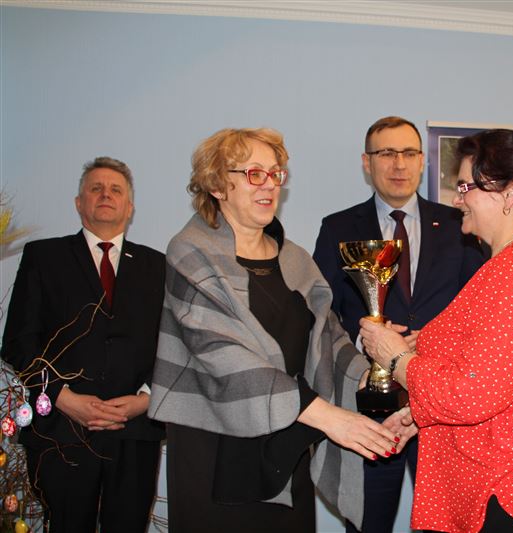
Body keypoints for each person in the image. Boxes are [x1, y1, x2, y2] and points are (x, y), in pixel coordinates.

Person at [147, 128, 400, 533]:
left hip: (287, 440)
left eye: (275, 174)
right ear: (217, 185)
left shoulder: (295, 259)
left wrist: (376, 382)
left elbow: (329, 339)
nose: (269, 185)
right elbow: (224, 353)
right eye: (254, 174)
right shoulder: (190, 251)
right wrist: (330, 418)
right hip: (216, 448)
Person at [360, 129, 513, 533]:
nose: (456, 199)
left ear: (511, 193)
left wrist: (395, 358)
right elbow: (495, 379)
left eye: (466, 187)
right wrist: (419, 413)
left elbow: (472, 394)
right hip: (498, 487)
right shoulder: (507, 266)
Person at [312, 116, 487, 532]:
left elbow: (478, 308)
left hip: (442, 405)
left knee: (447, 524)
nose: (399, 164)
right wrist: (366, 340)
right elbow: (321, 313)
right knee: (368, 523)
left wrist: (434, 339)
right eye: (386, 153)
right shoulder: (338, 228)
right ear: (366, 162)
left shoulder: (460, 224)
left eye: (409, 153)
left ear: (422, 161)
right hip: (371, 407)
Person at [1, 157, 165, 533]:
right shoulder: (43, 257)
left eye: (115, 190)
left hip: (134, 430)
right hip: (62, 430)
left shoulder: (158, 265)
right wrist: (62, 397)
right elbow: (18, 343)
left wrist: (146, 399)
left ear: (129, 207)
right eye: (96, 188)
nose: (106, 194)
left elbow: (172, 345)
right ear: (79, 203)